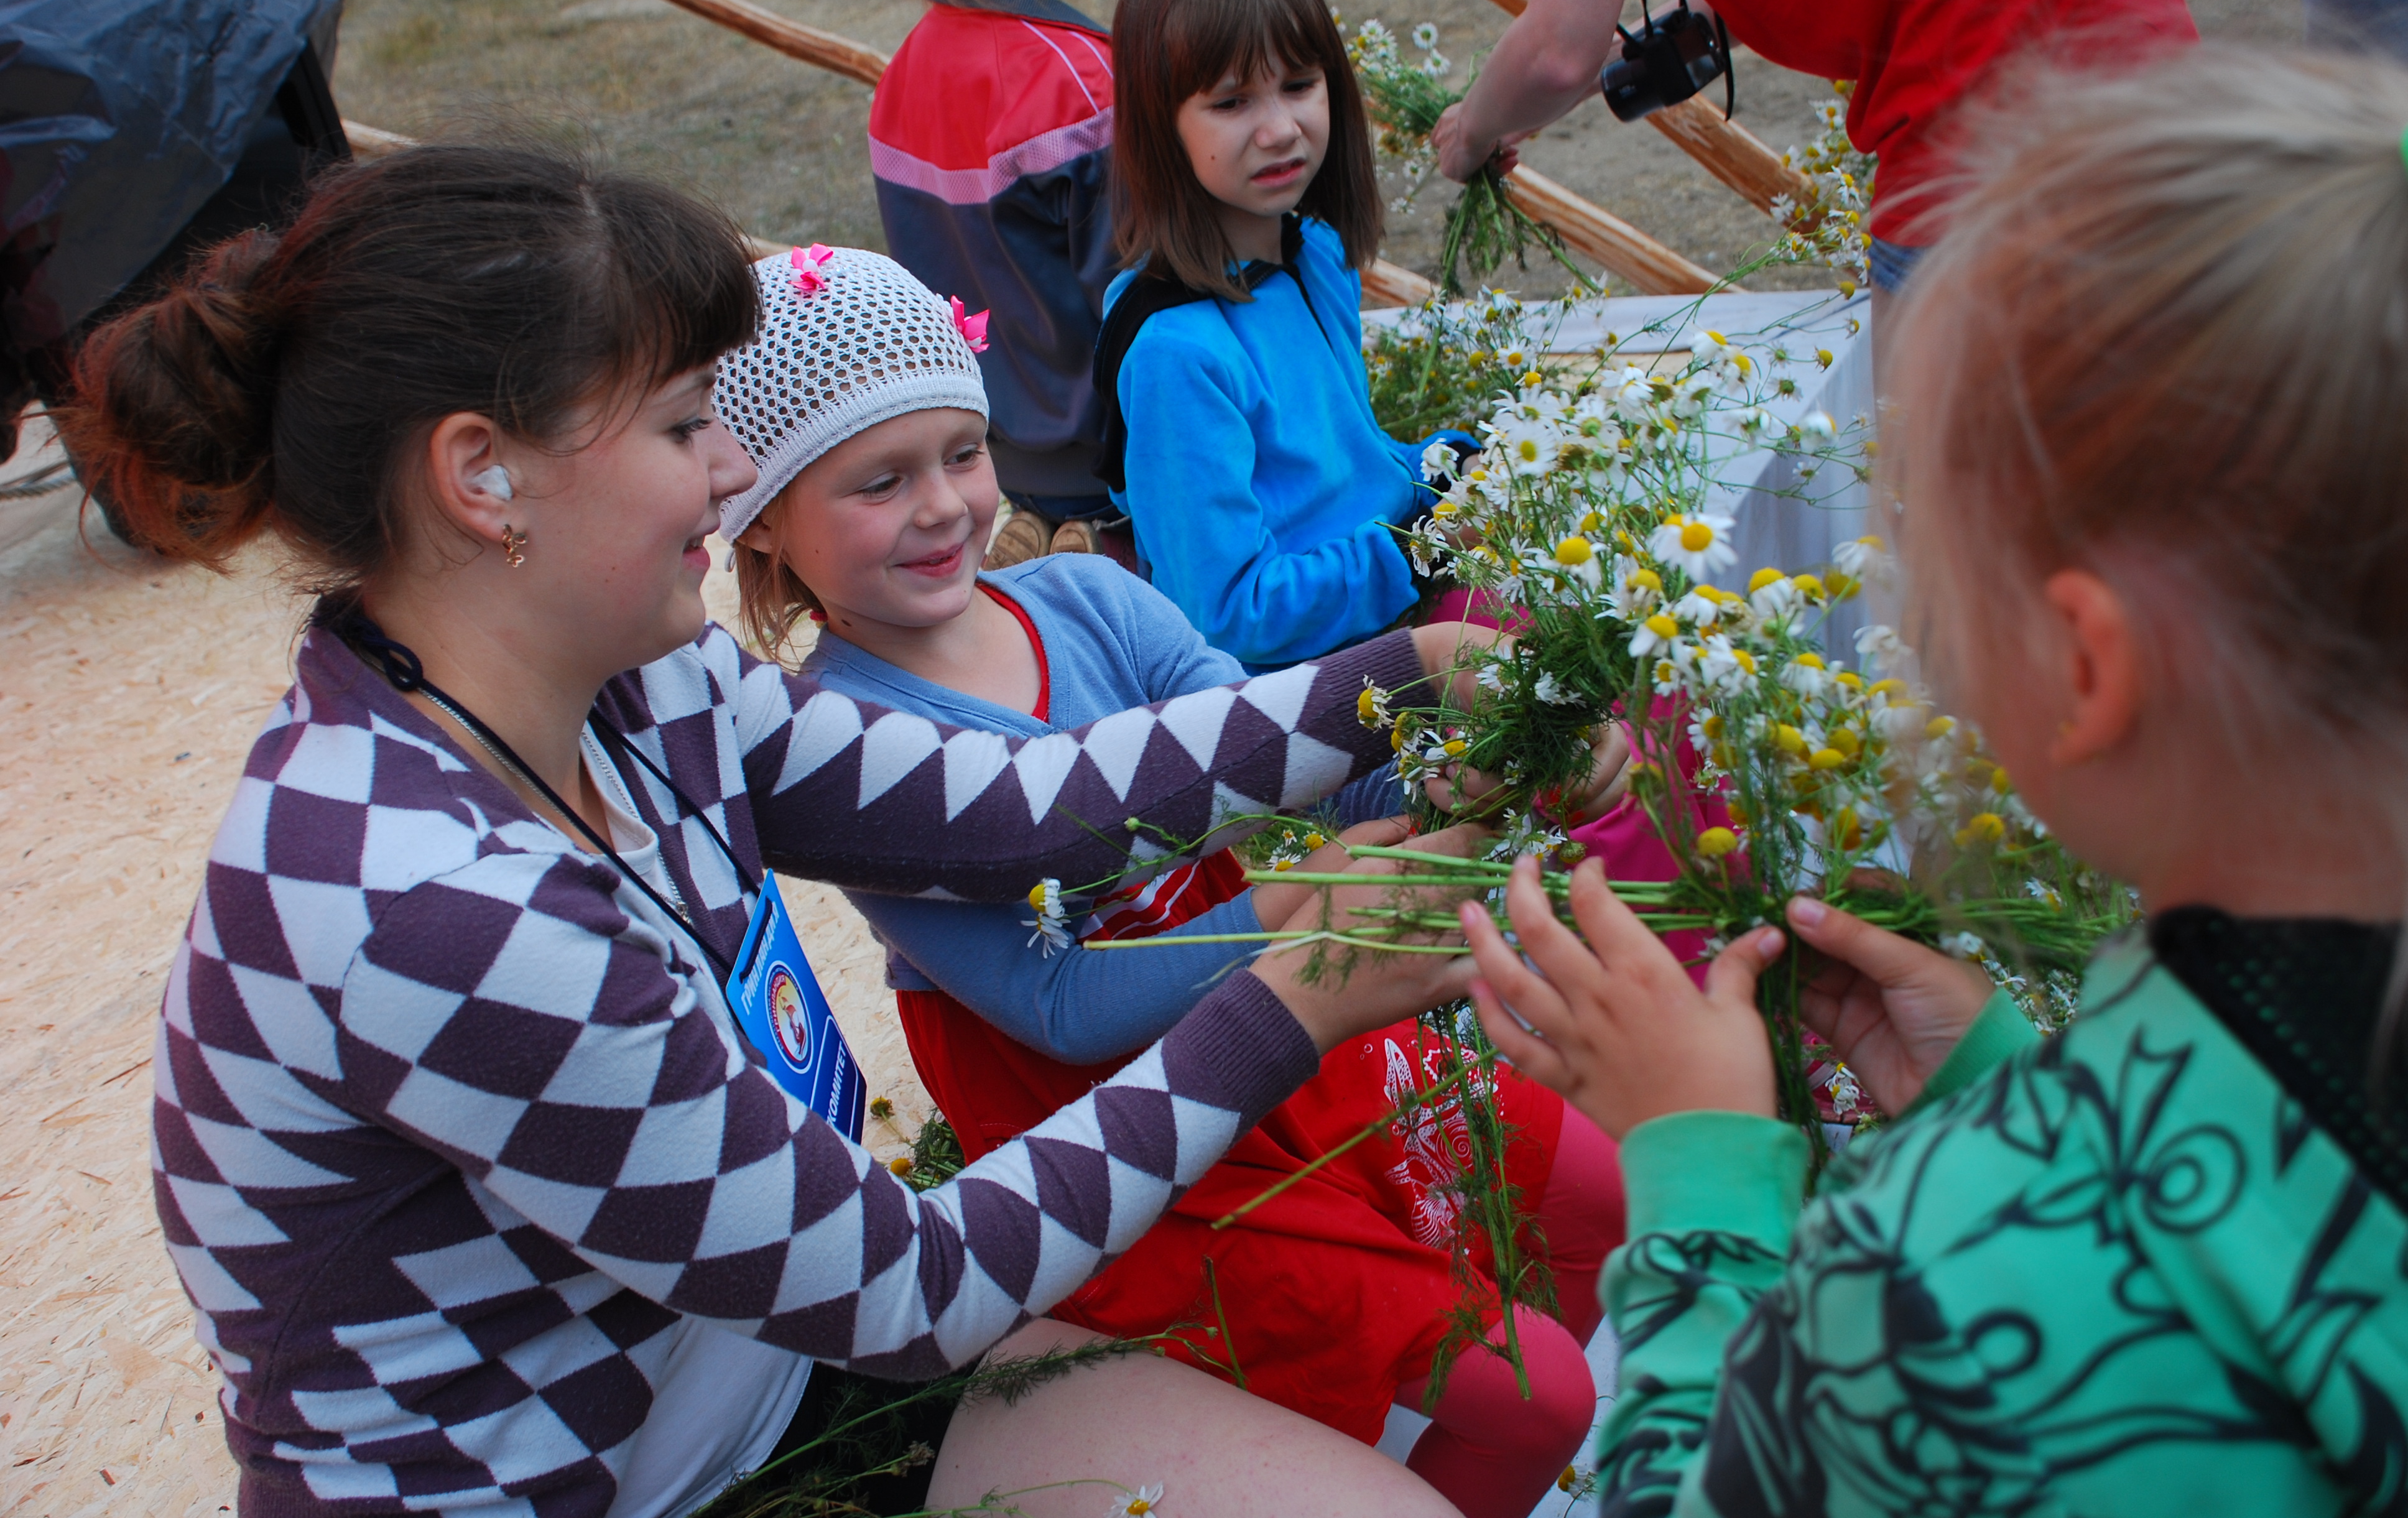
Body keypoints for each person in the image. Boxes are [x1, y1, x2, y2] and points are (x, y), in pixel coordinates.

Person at [63, 142, 1514, 1517]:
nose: (726, 475)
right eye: (688, 422)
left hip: (784, 1367)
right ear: (481, 475)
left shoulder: (635, 677)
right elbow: (919, 1286)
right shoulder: (435, 911)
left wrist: (1410, 678)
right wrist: (1292, 988)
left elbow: (1026, 811)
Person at [1457, 46, 2408, 1514]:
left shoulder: (1942, 1286)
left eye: (1926, 551)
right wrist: (2007, 1086)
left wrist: (1697, 1176)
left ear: (2087, 669)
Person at [718, 243, 1629, 1517]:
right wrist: (1304, 909)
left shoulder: (1088, 600)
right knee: (1533, 1393)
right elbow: (1064, 1011)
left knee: (1594, 1197)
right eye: (881, 480)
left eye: (963, 455)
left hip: (1298, 1022)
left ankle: (1408, 1421)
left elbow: (1294, 772)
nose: (942, 507)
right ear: (759, 516)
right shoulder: (845, 749)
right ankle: (1383, 1454)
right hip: (1137, 1138)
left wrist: (1467, 776)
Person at [1428, 0, 2195, 306]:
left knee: (1923, 492)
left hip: (1984, 83)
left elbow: (1555, 47)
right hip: (2133, 38)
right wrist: (1611, 65)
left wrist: (1473, 130)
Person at [1100, 0, 1448, 672]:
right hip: (1306, 699)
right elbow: (1226, 615)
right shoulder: (1176, 353)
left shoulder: (1313, 253)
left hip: (1393, 612)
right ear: (1162, 127)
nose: (1281, 129)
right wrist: (1421, 553)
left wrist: (1447, 472)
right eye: (1230, 103)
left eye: (1298, 85)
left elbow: (1345, 483)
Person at [867, 0, 1128, 565]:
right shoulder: (1081, 82)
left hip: (1003, 461)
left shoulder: (902, 79)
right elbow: (1140, 300)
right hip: (1122, 470)